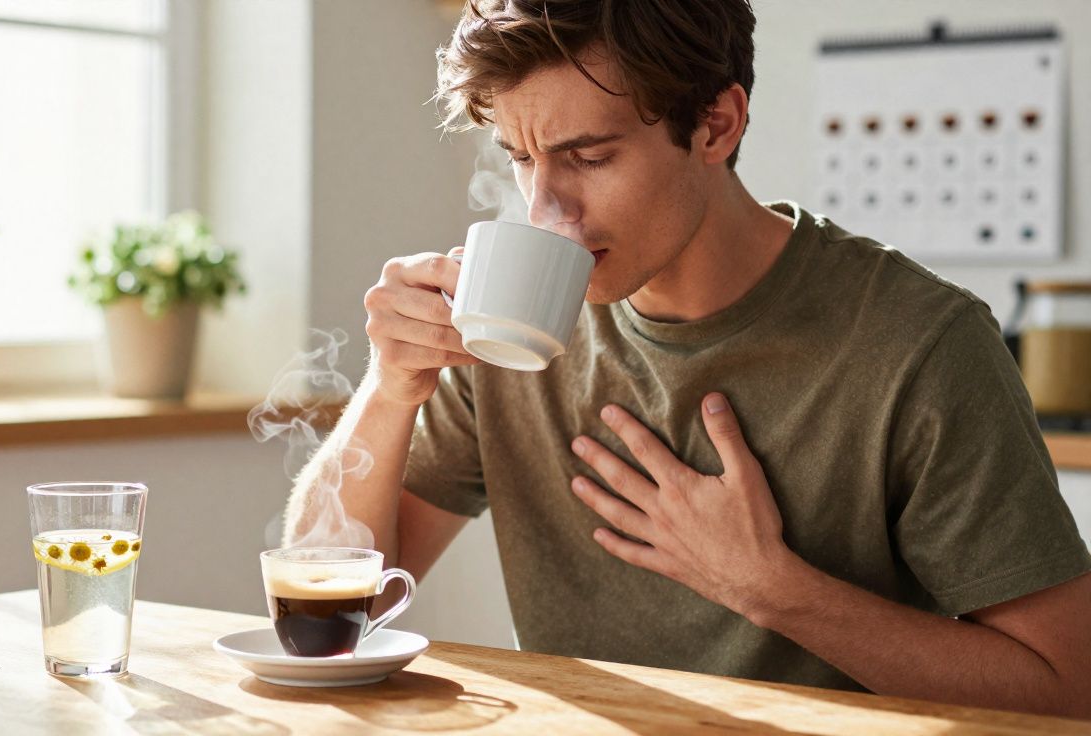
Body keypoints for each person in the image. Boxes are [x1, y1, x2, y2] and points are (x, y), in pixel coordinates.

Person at [283, 0, 1091, 716]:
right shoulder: (507, 328)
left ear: (716, 124)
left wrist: (777, 592)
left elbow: (1067, 687)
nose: (546, 211)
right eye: (521, 158)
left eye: (589, 157)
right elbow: (324, 616)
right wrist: (391, 388)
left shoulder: (919, 343)